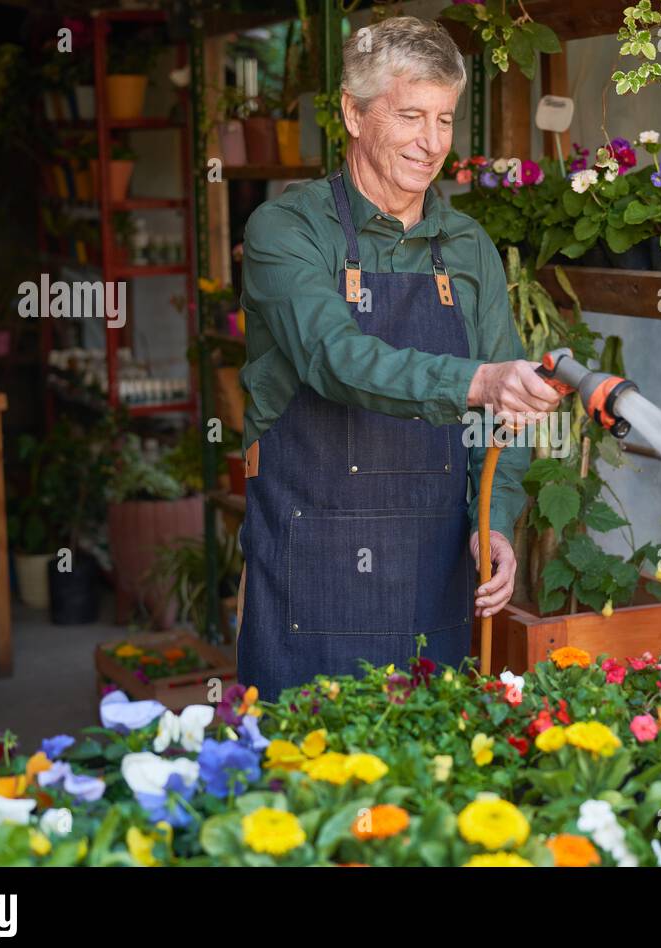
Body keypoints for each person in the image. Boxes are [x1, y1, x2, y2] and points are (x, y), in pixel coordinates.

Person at [235, 15, 562, 700]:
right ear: (354, 114)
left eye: (445, 119)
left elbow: (499, 422)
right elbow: (336, 359)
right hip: (312, 582)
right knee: (306, 789)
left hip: (431, 581)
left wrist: (494, 522)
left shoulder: (467, 247)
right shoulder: (285, 230)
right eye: (411, 115)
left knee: (430, 790)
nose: (432, 142)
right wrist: (479, 380)